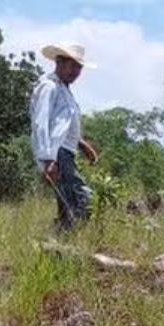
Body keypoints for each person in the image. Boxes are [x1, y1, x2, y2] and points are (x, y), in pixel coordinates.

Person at [31, 42, 99, 232]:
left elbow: (61, 126)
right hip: (57, 154)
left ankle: (61, 243)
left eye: (79, 67)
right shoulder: (49, 87)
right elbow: (41, 122)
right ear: (59, 62)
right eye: (72, 65)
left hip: (65, 152)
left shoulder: (64, 89)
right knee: (81, 199)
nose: (76, 71)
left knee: (68, 201)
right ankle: (68, 240)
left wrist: (82, 145)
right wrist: (47, 159)